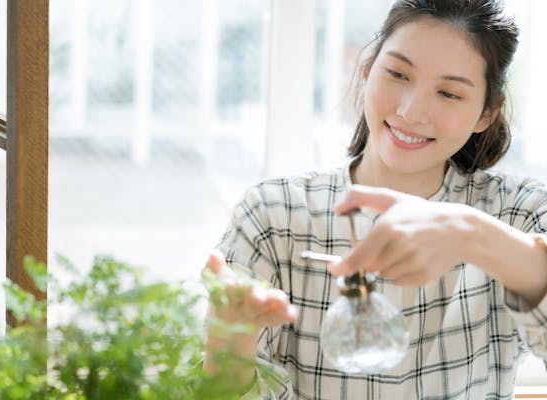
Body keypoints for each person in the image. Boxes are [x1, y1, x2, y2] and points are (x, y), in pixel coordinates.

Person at [203, 0, 547, 398]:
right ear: (367, 72)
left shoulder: (518, 213)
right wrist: (230, 339)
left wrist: (471, 235)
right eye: (398, 73)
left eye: (449, 93)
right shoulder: (275, 214)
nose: (410, 111)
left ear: (486, 113)